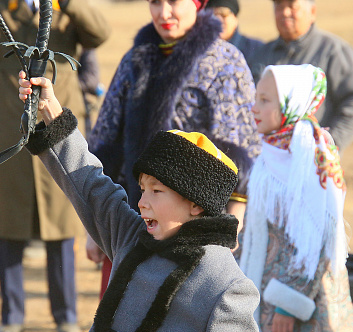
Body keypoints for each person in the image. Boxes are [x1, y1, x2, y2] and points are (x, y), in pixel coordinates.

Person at [18, 71, 260, 332]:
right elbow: (91, 185)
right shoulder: (132, 237)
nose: (142, 202)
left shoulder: (226, 288)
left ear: (195, 204)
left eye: (157, 191)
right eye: (142, 189)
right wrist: (50, 111)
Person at [0, 0, 111, 332]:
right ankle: (12, 316)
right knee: (8, 226)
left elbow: (99, 33)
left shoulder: (64, 8)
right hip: (7, 130)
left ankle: (65, 315)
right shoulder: (0, 9)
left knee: (60, 228)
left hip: (55, 126)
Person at [86, 0, 261, 297]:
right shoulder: (135, 59)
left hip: (198, 227)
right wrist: (96, 226)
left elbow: (241, 149)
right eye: (155, 2)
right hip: (134, 218)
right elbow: (106, 141)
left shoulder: (224, 61)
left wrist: (234, 220)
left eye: (174, 2)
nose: (164, 13)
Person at [239, 64, 353, 332]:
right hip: (267, 302)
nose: (254, 107)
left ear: (291, 104)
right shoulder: (270, 154)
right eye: (256, 98)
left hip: (305, 306)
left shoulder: (310, 157)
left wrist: (290, 304)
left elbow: (318, 239)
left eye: (265, 100)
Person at [249, 0, 353, 151]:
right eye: (279, 6)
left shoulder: (333, 51)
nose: (285, 12)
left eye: (292, 6)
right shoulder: (261, 55)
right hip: (269, 155)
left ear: (312, 12)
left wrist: (327, 144)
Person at [205, 0, 264, 67]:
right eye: (213, 15)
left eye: (223, 15)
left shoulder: (257, 49)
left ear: (235, 19)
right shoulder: (200, 51)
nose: (218, 20)